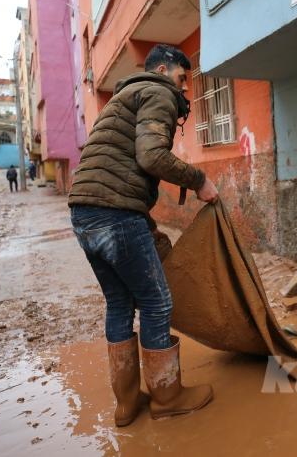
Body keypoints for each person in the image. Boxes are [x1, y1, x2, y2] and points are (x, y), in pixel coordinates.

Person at [68, 44, 219, 426]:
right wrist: (199, 180)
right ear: (164, 70)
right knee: (156, 303)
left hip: (84, 213)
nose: (185, 90)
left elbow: (120, 167)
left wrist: (145, 226)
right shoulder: (158, 92)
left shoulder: (123, 97)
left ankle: (127, 402)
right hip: (116, 213)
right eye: (183, 79)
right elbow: (150, 156)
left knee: (120, 304)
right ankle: (167, 397)